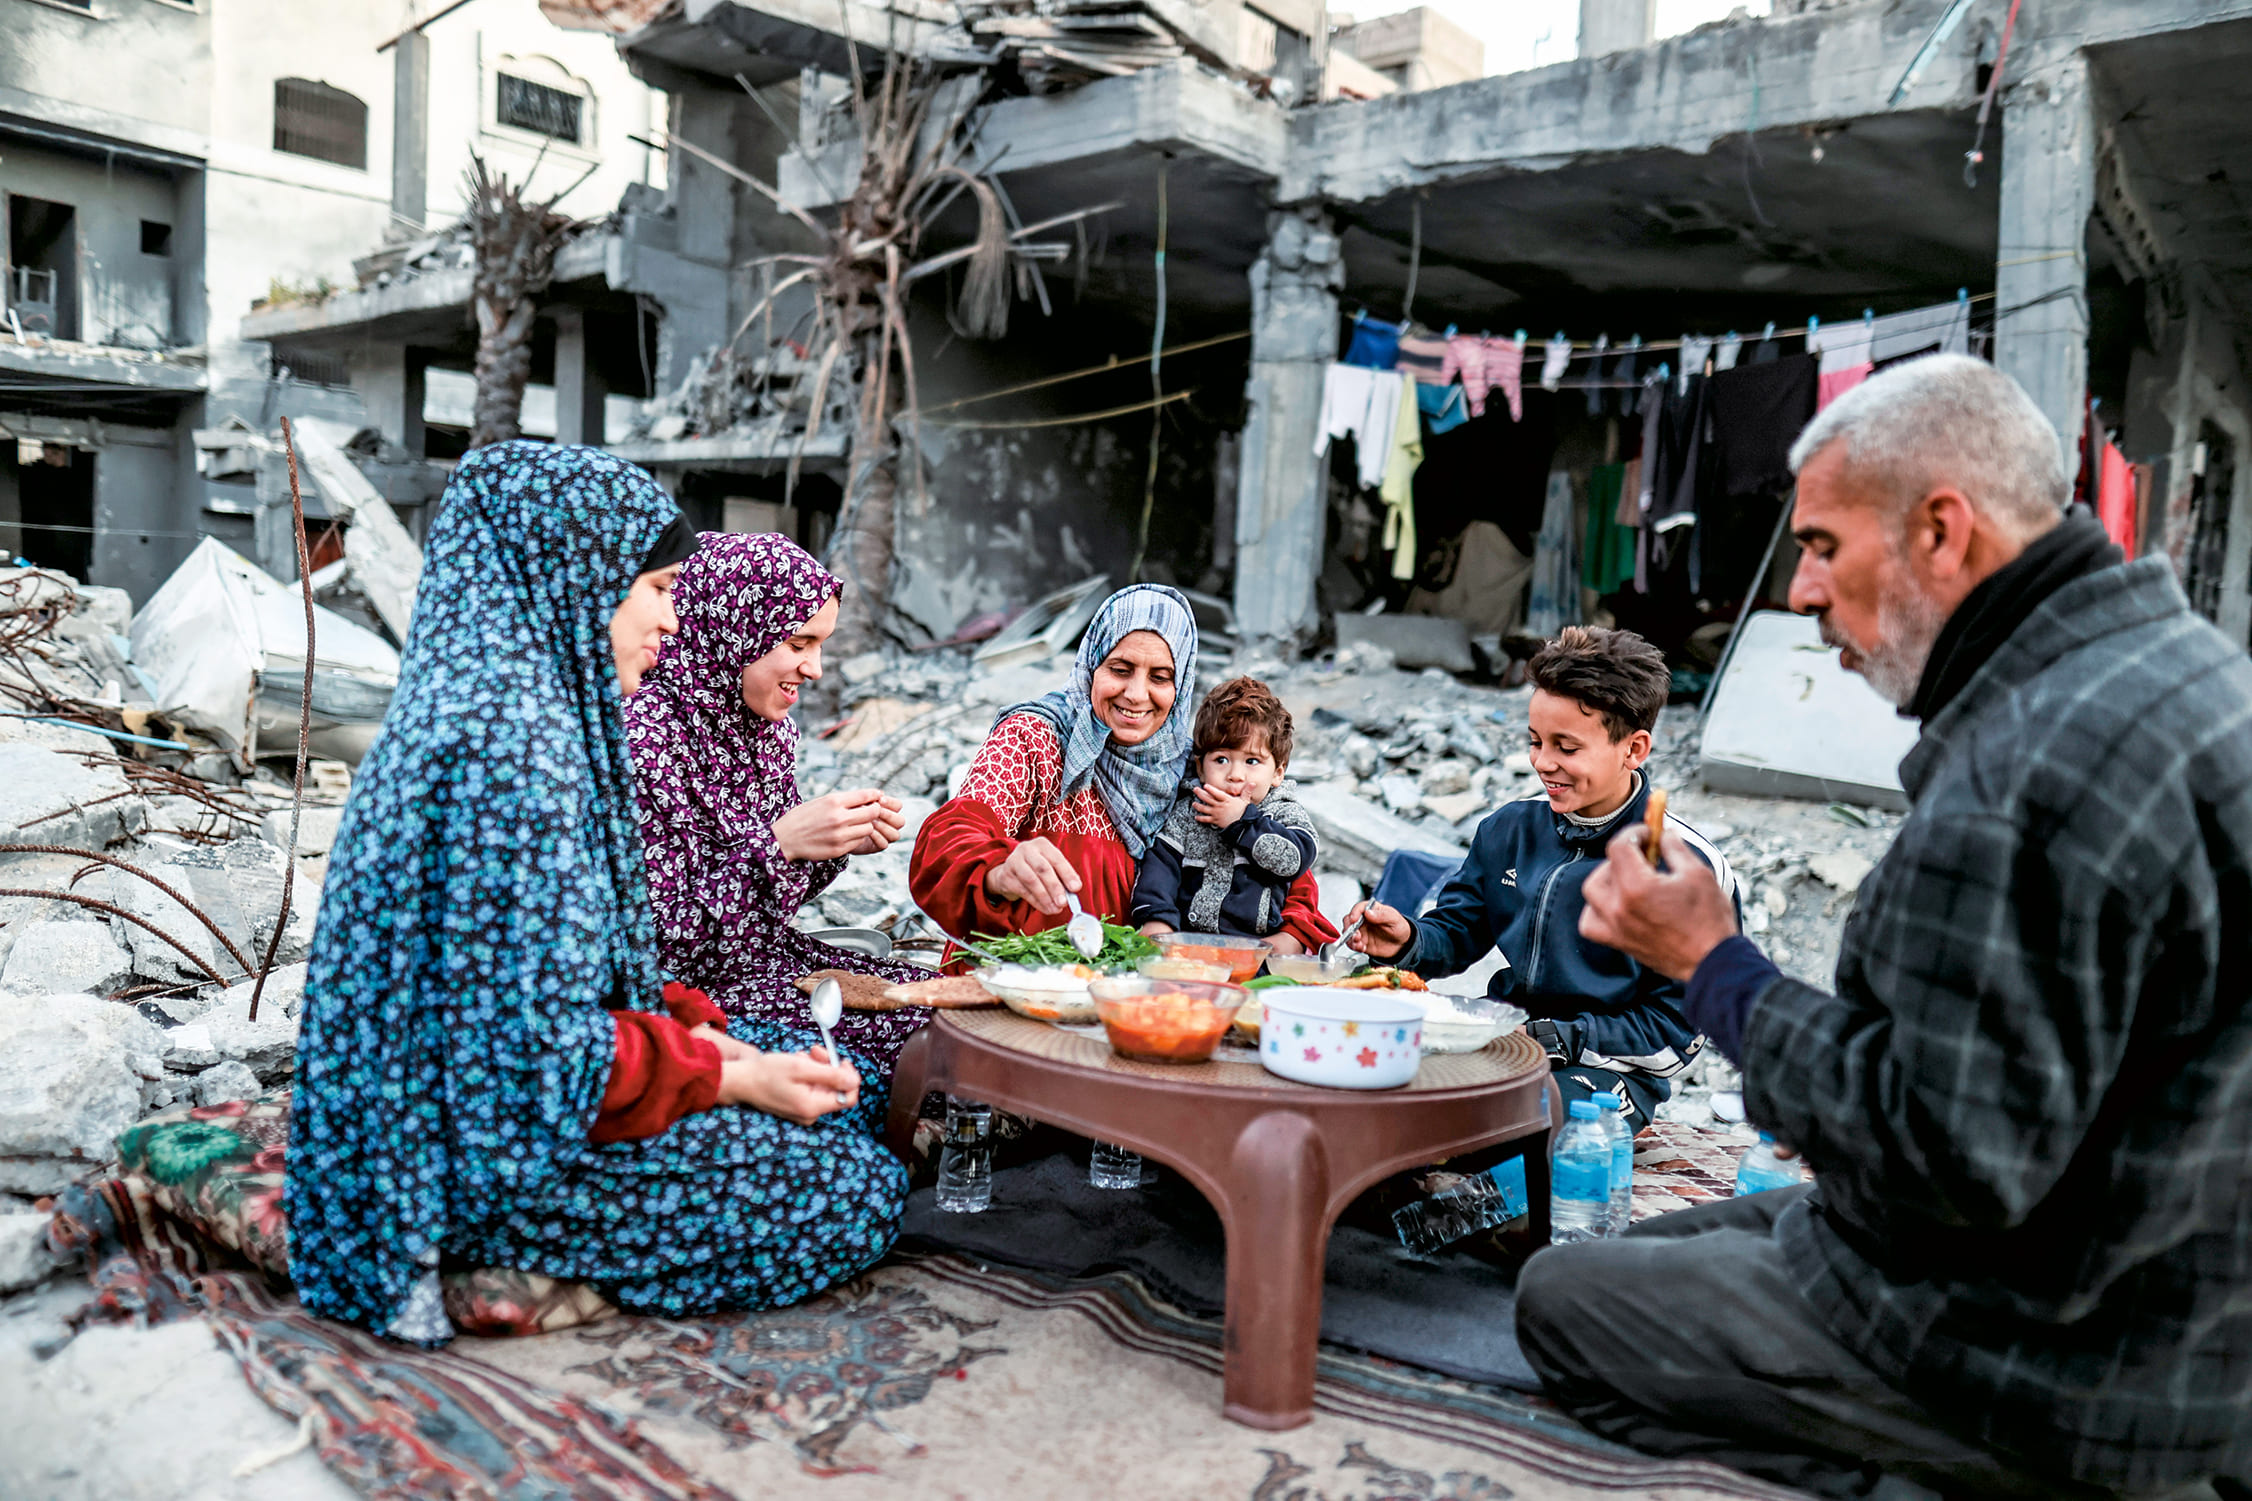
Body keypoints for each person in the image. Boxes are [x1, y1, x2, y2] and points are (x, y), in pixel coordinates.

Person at [1518, 355, 2252, 1499]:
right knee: (1632, 1247)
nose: (1800, 595)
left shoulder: (2033, 761)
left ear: (1938, 532)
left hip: (2054, 1346)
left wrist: (1710, 967)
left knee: (1559, 1304)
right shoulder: (2182, 669)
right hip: (2150, 1289)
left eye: (1819, 548)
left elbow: (1940, 1161)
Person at [286, 444, 903, 1345]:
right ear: (571, 576)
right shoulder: (507, 757)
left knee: (845, 1119)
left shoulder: (508, 708)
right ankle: (487, 1253)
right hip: (459, 1152)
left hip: (488, 1104)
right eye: (655, 588)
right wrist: (736, 1070)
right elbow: (539, 1060)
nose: (672, 618)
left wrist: (702, 1037)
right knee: (856, 1191)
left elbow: (583, 977)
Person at [1342, 625, 1733, 1130]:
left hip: (1602, 1074)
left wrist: (1565, 1037)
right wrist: (1408, 940)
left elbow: (1679, 1027)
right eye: (1535, 742)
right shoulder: (1510, 828)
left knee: (1513, 1124)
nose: (1543, 763)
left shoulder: (1684, 867)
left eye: (1566, 748)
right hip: (1502, 1038)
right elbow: (1458, 933)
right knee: (1376, 1082)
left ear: (1634, 750)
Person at [624, 531, 932, 1074]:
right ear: (734, 630)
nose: (814, 668)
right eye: (798, 644)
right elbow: (660, 954)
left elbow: (767, 909)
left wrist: (831, 845)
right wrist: (781, 847)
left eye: (820, 646)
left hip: (760, 960)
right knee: (905, 1055)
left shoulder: (768, 733)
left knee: (938, 1004)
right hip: (684, 996)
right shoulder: (644, 736)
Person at [912, 585, 1335, 952]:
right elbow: (947, 843)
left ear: (1181, 685)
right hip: (1014, 984)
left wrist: (1292, 934)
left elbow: (1290, 875)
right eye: (1120, 669)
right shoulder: (1034, 740)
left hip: (1128, 1001)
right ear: (1091, 665)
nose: (1136, 694)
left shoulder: (1194, 770)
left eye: (1160, 677)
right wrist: (999, 873)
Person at [1129, 676, 1318, 941]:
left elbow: (1295, 860)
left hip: (1256, 952)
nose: (1235, 775)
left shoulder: (1282, 812)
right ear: (1200, 768)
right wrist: (1156, 919)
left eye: (1252, 760)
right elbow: (1160, 872)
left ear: (1277, 773)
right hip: (1189, 947)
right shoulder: (1188, 813)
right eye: (1221, 759)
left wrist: (1242, 822)